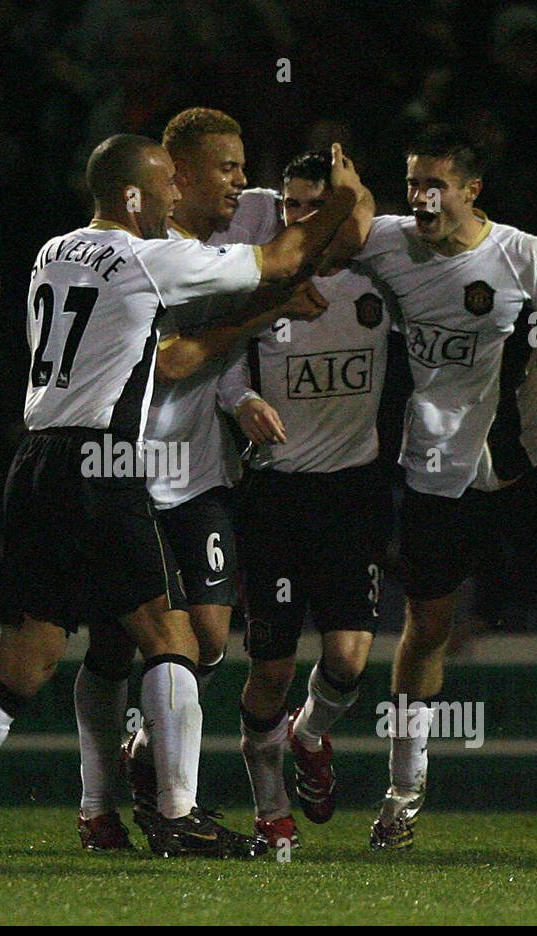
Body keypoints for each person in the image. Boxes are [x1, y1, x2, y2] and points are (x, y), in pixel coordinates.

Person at [0, 133, 362, 857]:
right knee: (174, 641)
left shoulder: (52, 252)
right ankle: (177, 816)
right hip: (99, 460)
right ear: (134, 195)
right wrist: (345, 203)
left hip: (34, 459)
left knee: (27, 660)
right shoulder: (150, 257)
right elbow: (281, 260)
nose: (176, 198)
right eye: (167, 186)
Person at [353, 124, 537, 852]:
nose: (421, 198)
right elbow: (329, 225)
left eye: (435, 184)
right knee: (425, 627)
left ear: (470, 189)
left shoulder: (527, 256)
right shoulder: (386, 242)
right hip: (435, 470)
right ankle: (402, 794)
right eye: (412, 183)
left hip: (528, 465)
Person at [72, 107, 325, 851]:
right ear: (176, 177)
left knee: (210, 639)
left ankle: (149, 756)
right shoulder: (141, 259)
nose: (242, 182)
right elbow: (171, 361)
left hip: (198, 475)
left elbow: (211, 365)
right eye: (227, 168)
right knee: (121, 647)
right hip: (125, 474)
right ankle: (104, 805)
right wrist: (270, 303)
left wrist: (242, 397)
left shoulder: (213, 246)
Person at [217, 150, 397, 847]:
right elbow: (222, 368)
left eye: (310, 207)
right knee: (271, 667)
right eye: (287, 206)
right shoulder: (266, 287)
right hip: (277, 497)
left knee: (349, 663)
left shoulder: (379, 285)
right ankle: (270, 811)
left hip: (354, 493)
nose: (294, 219)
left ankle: (310, 734)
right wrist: (245, 401)